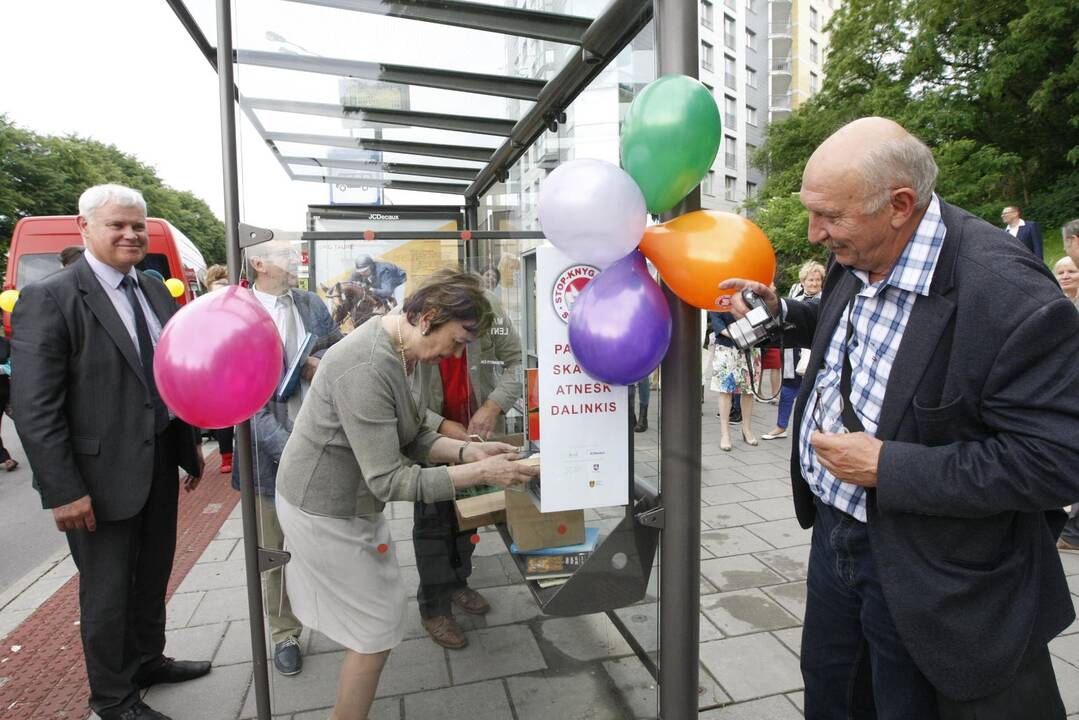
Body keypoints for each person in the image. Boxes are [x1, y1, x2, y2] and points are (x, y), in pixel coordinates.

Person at [722, 118, 1079, 718]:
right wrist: (784, 312)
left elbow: (1058, 460)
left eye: (828, 216)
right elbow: (849, 323)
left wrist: (890, 465)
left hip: (933, 566)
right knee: (834, 695)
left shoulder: (1008, 293)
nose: (813, 234)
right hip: (834, 536)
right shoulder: (860, 250)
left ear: (900, 205)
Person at [274, 270, 538, 719]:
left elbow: (413, 430)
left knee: (376, 620)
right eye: (457, 341)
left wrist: (468, 453)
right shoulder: (370, 364)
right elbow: (390, 480)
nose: (456, 354)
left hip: (351, 502)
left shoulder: (401, 350)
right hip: (324, 507)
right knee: (376, 630)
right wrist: (476, 468)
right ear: (428, 317)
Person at [12, 184, 209, 720]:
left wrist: (187, 448)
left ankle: (147, 660)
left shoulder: (151, 288)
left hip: (157, 464)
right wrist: (64, 490)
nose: (130, 234)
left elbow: (167, 374)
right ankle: (112, 699)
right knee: (106, 593)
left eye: (137, 226)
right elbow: (34, 409)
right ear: (84, 227)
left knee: (151, 575)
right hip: (95, 481)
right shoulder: (50, 297)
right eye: (117, 225)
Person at [234, 241, 341, 676]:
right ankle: (284, 633)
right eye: (285, 256)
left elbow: (337, 351)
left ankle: (330, 612)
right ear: (258, 263)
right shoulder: (237, 313)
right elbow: (240, 401)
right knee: (274, 550)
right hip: (267, 455)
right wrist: (289, 450)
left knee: (323, 539)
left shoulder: (311, 303)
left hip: (321, 442)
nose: (296, 261)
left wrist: (322, 361)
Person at [412, 291, 522, 648]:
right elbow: (404, 397)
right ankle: (434, 607)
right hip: (431, 440)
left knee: (469, 518)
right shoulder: (416, 328)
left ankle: (458, 582)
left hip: (477, 438)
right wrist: (442, 426)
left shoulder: (491, 314)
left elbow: (517, 361)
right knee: (433, 524)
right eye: (459, 338)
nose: (460, 351)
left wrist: (492, 406)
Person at [762, 261, 825, 441]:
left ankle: (814, 430)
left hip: (814, 357)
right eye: (810, 280)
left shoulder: (826, 302)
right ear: (803, 281)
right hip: (793, 354)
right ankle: (781, 426)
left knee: (814, 393)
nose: (814, 283)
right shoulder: (794, 300)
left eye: (817, 280)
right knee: (788, 390)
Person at [707, 311, 759, 451]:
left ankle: (746, 429)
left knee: (748, 390)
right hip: (726, 347)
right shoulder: (717, 297)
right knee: (725, 391)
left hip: (750, 346)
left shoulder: (747, 292)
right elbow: (718, 324)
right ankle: (725, 434)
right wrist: (739, 335)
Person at [202, 265, 234, 473]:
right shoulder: (203, 308)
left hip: (236, 367)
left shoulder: (236, 307)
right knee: (224, 415)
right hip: (215, 369)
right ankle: (226, 456)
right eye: (219, 283)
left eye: (226, 283)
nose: (223, 288)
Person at [0, 335, 16, 471]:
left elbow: (15, 364)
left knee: (25, 421)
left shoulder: (5, 343)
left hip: (9, 391)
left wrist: (4, 369)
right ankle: (5, 458)